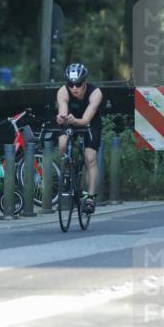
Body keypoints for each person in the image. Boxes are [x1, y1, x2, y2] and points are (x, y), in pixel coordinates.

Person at [55, 63, 103, 214]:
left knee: (90, 157)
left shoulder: (95, 93)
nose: (74, 88)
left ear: (85, 82)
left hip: (90, 122)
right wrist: (61, 118)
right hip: (71, 120)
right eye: (71, 84)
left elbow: (85, 120)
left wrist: (75, 121)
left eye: (78, 84)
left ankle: (90, 197)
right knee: (62, 143)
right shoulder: (63, 92)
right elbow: (63, 112)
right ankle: (68, 173)